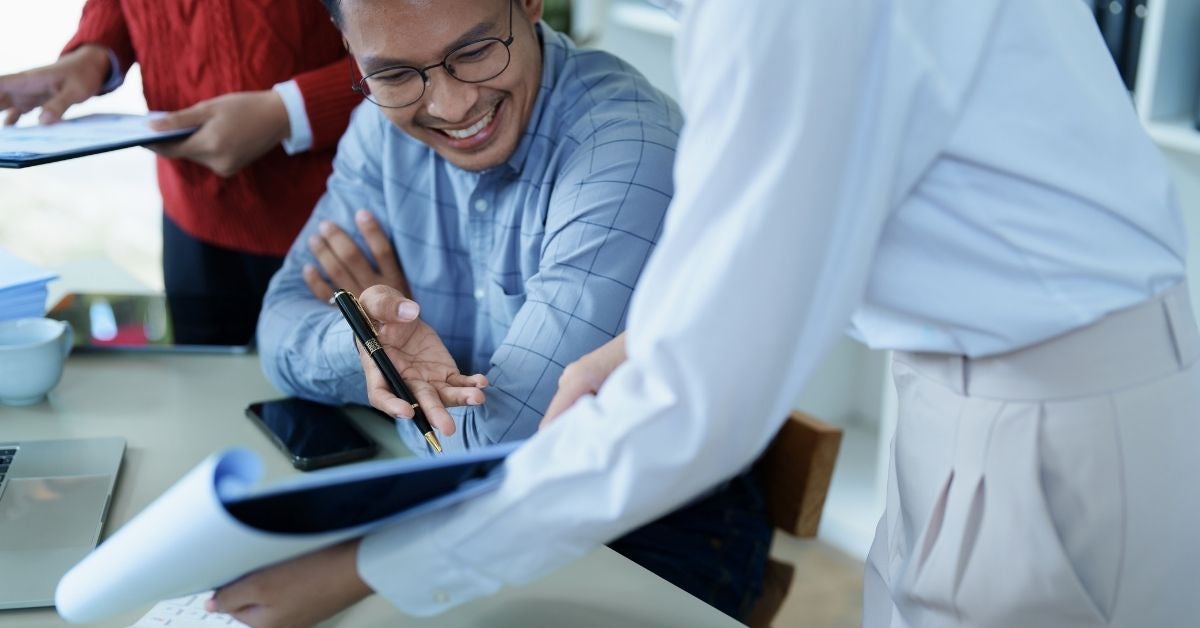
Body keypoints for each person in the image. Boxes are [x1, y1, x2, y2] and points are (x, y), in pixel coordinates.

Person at [209, 0, 1200, 627]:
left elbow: (687, 407)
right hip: (970, 390)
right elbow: (845, 213)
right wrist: (662, 334)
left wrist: (368, 567)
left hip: (1047, 410)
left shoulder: (751, 34)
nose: (450, 93)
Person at [254, 0, 769, 620]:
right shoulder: (379, 127)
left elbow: (497, 452)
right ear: (348, 47)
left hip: (649, 528)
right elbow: (278, 323)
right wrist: (371, 346)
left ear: (530, 3)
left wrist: (398, 375)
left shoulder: (628, 150)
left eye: (473, 51)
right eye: (394, 75)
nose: (449, 105)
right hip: (462, 507)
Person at [0, 1, 361, 345]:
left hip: (338, 219)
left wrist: (289, 111)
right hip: (191, 216)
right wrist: (95, 53)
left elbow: (406, 48)